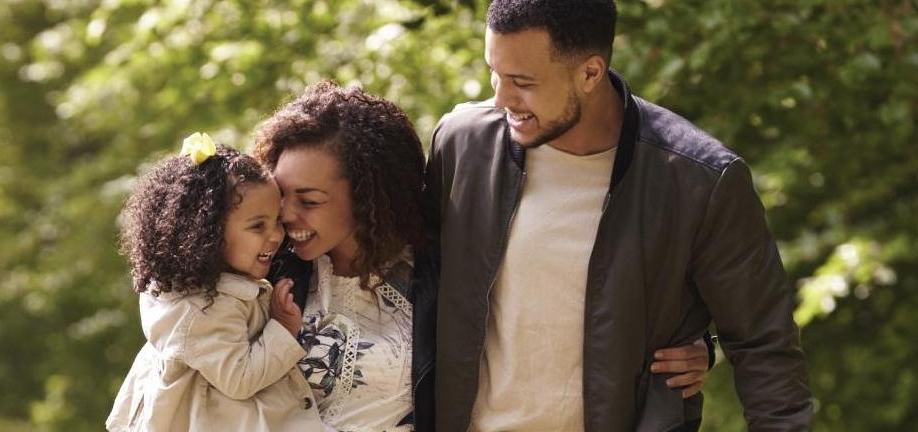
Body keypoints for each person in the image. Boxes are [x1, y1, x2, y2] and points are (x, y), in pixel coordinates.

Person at [424, 0, 813, 430]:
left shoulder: (699, 180)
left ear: (590, 73)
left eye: (522, 82)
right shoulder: (462, 145)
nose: (501, 98)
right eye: (495, 74)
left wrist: (694, 337)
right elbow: (408, 290)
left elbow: (765, 346)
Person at [254, 82, 710, 431]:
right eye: (280, 195)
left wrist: (695, 348)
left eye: (309, 200)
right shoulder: (265, 269)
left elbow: (560, 310)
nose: (286, 215)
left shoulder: (441, 271)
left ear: (368, 196)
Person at [106, 134, 323, 431]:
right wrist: (283, 328)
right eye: (258, 225)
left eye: (277, 221)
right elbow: (240, 377)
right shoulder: (199, 310)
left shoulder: (205, 289)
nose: (276, 235)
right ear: (207, 234)